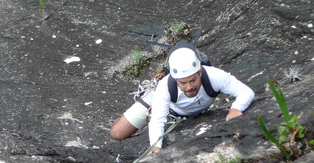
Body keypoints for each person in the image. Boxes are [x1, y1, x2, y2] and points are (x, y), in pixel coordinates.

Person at [109, 47, 255, 153]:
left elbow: (246, 91)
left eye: (193, 80)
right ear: (175, 79)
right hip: (163, 102)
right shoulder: (166, 86)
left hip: (187, 109)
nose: (189, 87)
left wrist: (236, 108)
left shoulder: (215, 76)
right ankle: (137, 105)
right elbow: (158, 120)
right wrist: (156, 146)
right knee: (117, 133)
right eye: (183, 83)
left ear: (200, 71)